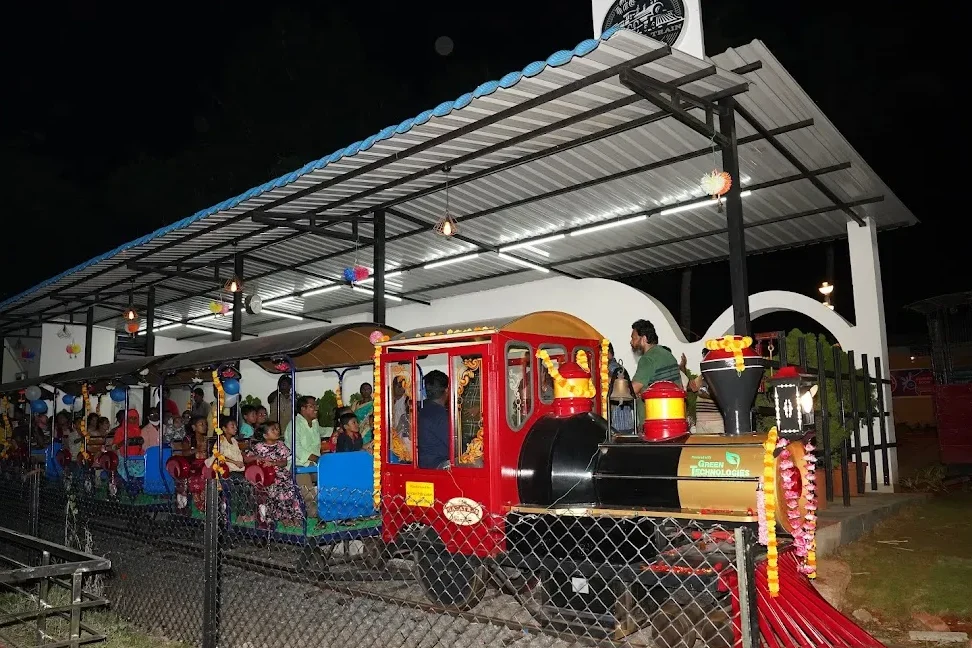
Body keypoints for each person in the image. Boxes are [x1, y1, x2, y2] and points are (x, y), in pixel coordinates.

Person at [250, 421, 304, 526]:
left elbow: (284, 462)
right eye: (273, 430)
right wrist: (258, 459)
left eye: (276, 429)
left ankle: (293, 516)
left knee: (290, 488)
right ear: (265, 435)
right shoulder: (259, 447)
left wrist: (273, 463)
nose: (276, 431)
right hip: (266, 476)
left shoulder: (280, 445)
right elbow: (248, 458)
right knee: (277, 488)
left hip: (280, 472)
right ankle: (283, 517)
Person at [630, 319, 681, 422]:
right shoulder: (668, 355)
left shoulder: (647, 359)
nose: (631, 342)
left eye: (634, 338)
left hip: (654, 420)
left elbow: (632, 390)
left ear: (643, 339)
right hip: (674, 416)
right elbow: (679, 387)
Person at [284, 395, 320, 518]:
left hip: (315, 465)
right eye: (312, 406)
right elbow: (296, 448)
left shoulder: (315, 423)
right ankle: (314, 515)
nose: (315, 409)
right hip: (298, 464)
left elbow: (323, 431)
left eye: (315, 406)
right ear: (302, 409)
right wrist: (315, 458)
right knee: (308, 493)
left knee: (332, 477)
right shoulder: (294, 425)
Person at [417, 370, 450, 470]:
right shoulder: (439, 413)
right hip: (438, 465)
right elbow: (453, 445)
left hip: (423, 463)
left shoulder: (422, 408)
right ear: (447, 390)